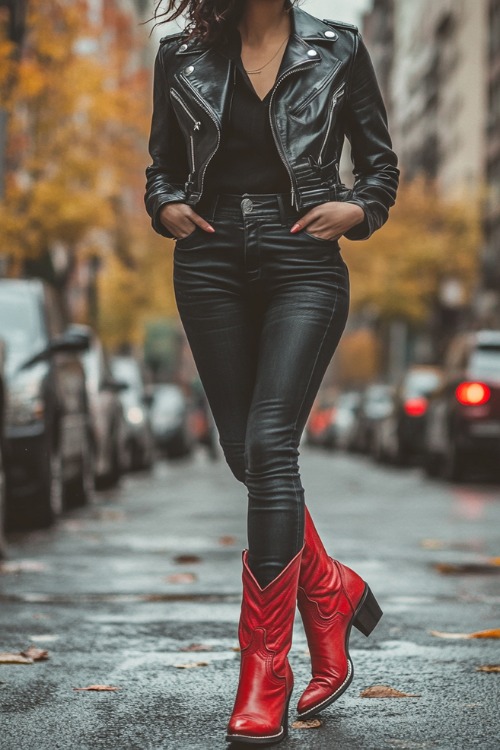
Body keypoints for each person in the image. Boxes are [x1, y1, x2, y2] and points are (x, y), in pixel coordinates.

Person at [145, 0, 399, 745]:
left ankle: (264, 672)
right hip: (209, 258)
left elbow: (379, 164)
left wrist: (357, 208)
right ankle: (330, 592)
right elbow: (161, 164)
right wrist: (164, 207)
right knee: (243, 451)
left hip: (303, 260)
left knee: (270, 443)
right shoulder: (180, 54)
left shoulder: (338, 47)